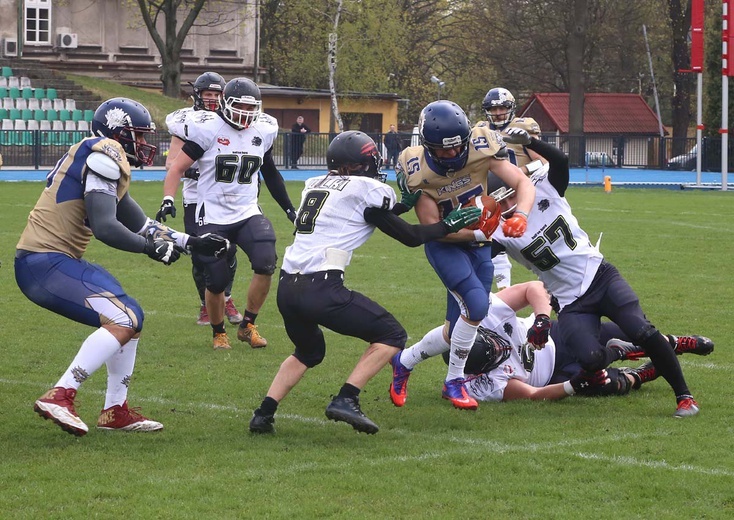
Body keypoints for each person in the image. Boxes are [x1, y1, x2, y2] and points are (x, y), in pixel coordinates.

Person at [15, 97, 229, 436]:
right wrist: (150, 249)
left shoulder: (98, 156)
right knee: (122, 318)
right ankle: (61, 394)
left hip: (53, 261)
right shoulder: (104, 154)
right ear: (117, 131)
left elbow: (140, 224)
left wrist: (190, 242)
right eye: (138, 136)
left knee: (133, 317)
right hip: (45, 262)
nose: (143, 144)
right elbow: (105, 226)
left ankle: (115, 410)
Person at [249, 131, 482, 435]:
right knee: (391, 334)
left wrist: (402, 206)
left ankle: (263, 414)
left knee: (308, 352)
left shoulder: (316, 185)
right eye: (369, 162)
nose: (374, 167)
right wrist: (446, 225)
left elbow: (366, 215)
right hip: (321, 287)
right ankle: (347, 398)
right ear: (352, 167)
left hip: (288, 288)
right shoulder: (365, 189)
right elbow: (409, 237)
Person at [490, 127, 703, 417]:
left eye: (510, 195)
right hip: (569, 302)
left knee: (642, 330)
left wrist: (531, 142)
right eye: (500, 201)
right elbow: (466, 254)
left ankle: (684, 397)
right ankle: (617, 349)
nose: (508, 205)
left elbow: (561, 162)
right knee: (590, 360)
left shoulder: (544, 187)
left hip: (599, 277)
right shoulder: (498, 231)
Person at [395, 100, 535, 410]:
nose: (449, 155)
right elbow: (432, 228)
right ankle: (454, 382)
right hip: (446, 245)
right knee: (475, 305)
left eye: (454, 148)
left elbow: (522, 182)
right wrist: (477, 231)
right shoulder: (417, 169)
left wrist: (521, 214)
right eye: (441, 150)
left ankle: (403, 361)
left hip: (479, 244)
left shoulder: (481, 146)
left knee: (455, 327)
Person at [390, 281, 713, 404]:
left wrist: (542, 318)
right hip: (556, 374)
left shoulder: (481, 315)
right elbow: (533, 393)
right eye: (494, 356)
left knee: (632, 332)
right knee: (606, 385)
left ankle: (673, 342)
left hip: (557, 335)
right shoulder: (478, 386)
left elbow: (532, 287)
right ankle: (640, 375)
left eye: (494, 345)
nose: (502, 351)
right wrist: (574, 385)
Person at [161, 78, 298, 350]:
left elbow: (270, 173)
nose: (246, 113)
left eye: (251, 107)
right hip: (211, 214)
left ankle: (248, 325)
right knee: (217, 279)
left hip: (247, 210)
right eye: (241, 106)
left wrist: (290, 209)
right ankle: (218, 331)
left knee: (266, 260)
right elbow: (176, 167)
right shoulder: (207, 129)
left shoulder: (263, 130)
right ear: (226, 104)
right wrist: (168, 199)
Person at [157, 71, 243, 327]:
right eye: (209, 94)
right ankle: (206, 304)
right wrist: (200, 170)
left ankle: (225, 297)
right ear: (198, 95)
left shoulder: (231, 120)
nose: (214, 99)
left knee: (229, 250)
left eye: (217, 94)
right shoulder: (187, 122)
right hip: (196, 197)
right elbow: (172, 163)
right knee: (199, 253)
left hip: (225, 196)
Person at [480, 87, 548, 290]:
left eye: (502, 107)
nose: (498, 112)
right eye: (493, 109)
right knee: (493, 242)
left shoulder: (522, 127)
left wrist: (519, 173)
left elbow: (544, 163)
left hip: (522, 196)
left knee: (537, 244)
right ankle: (504, 291)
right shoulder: (481, 130)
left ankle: (549, 290)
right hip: (495, 197)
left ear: (511, 108)